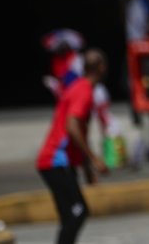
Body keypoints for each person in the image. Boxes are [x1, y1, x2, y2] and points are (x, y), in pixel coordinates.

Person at [36, 49, 109, 244]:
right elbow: (72, 126)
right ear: (101, 67)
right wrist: (94, 159)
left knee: (69, 216)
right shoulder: (84, 91)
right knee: (78, 212)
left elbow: (79, 132)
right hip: (56, 161)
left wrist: (86, 168)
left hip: (56, 161)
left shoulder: (79, 87)